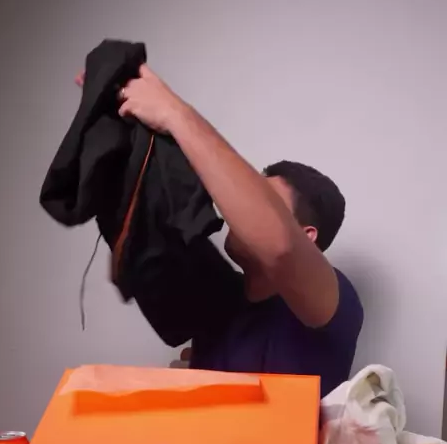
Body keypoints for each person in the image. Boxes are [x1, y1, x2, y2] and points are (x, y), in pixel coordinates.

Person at [88, 65, 363, 398]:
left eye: (264, 201)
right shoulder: (217, 296)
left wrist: (174, 112)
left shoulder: (334, 301)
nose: (234, 211)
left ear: (308, 236)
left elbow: (281, 248)